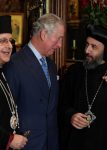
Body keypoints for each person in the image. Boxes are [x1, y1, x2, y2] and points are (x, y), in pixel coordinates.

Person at [59, 25, 107, 150]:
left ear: (105, 51)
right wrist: (71, 115)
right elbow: (61, 103)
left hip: (103, 143)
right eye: (87, 44)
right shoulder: (74, 72)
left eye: (94, 47)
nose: (87, 50)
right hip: (75, 142)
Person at [4, 13, 65, 150]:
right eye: (58, 38)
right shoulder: (14, 64)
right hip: (28, 145)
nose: (60, 45)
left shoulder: (51, 65)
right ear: (44, 34)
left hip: (51, 143)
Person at [0, 15, 27, 149]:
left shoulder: (2, 72)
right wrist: (8, 140)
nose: (10, 46)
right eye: (3, 41)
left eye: (10, 41)